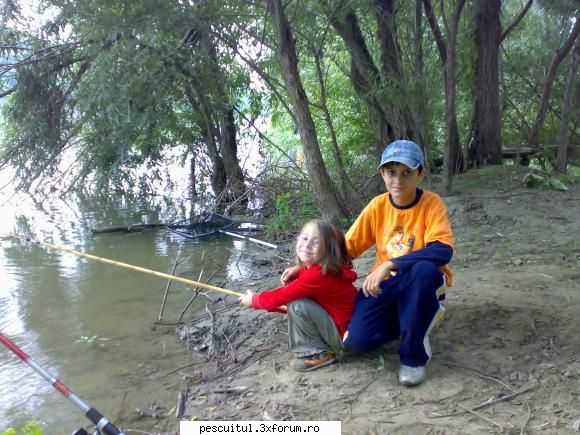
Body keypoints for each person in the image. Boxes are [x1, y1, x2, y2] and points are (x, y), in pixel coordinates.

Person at [282, 139, 454, 386]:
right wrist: (303, 267)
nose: (398, 180)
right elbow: (346, 250)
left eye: (407, 172)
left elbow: (442, 250)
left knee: (424, 270)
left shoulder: (432, 204)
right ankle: (410, 322)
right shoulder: (378, 206)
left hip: (421, 283)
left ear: (420, 174)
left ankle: (413, 356)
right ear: (382, 174)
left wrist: (390, 264)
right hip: (384, 285)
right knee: (356, 343)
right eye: (391, 172)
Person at [240, 219, 358, 372]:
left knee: (298, 305)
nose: (307, 245)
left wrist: (254, 300)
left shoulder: (319, 275)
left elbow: (283, 297)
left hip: (344, 336)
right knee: (296, 304)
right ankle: (323, 346)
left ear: (328, 249)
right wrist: (298, 271)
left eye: (316, 242)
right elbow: (287, 304)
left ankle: (319, 354)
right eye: (304, 238)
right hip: (341, 328)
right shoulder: (316, 269)